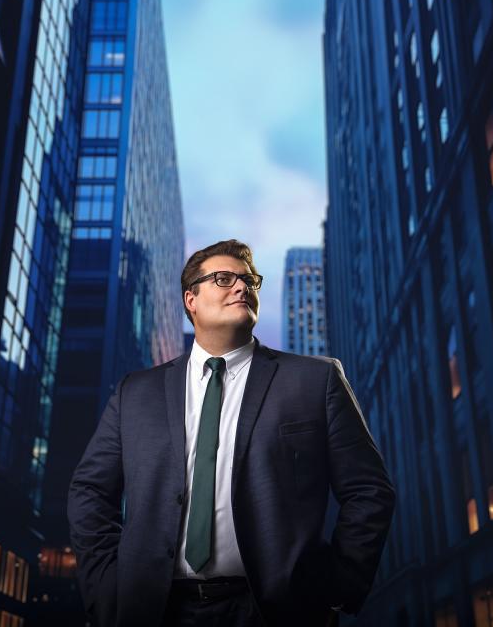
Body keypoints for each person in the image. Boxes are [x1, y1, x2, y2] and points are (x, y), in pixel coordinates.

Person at [67, 239, 395, 626]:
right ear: (191, 299)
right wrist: (107, 589)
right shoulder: (135, 392)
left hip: (277, 611)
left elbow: (368, 490)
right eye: (224, 279)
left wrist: (338, 585)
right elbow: (89, 491)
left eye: (249, 281)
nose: (242, 287)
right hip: (154, 611)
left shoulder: (315, 380)